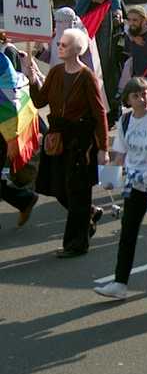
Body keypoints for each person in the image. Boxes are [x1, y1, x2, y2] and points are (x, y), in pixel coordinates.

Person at [23, 28, 109, 257]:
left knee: (77, 191)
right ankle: (88, 213)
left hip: (80, 142)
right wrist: (32, 79)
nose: (59, 47)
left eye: (64, 44)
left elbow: (99, 112)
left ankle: (76, 245)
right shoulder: (55, 72)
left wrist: (103, 148)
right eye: (59, 43)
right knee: (58, 187)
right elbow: (39, 101)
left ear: (77, 49)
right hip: (57, 138)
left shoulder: (87, 76)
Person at [94, 78, 147, 300]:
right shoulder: (125, 120)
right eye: (136, 95)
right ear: (128, 99)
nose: (142, 98)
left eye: (145, 93)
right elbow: (120, 155)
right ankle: (120, 283)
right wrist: (110, 177)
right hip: (135, 183)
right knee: (128, 233)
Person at [74, 0, 123, 120]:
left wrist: (116, 16)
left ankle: (113, 112)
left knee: (109, 79)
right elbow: (76, 16)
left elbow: (118, 12)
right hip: (89, 46)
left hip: (108, 47)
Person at [0, 49, 39, 228]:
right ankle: (23, 200)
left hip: (5, 128)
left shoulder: (2, 62)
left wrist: (11, 139)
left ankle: (24, 200)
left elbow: (9, 102)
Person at [123, 5, 147, 78]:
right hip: (138, 80)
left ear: (144, 20)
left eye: (135, 20)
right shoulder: (129, 35)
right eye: (129, 20)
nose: (131, 23)